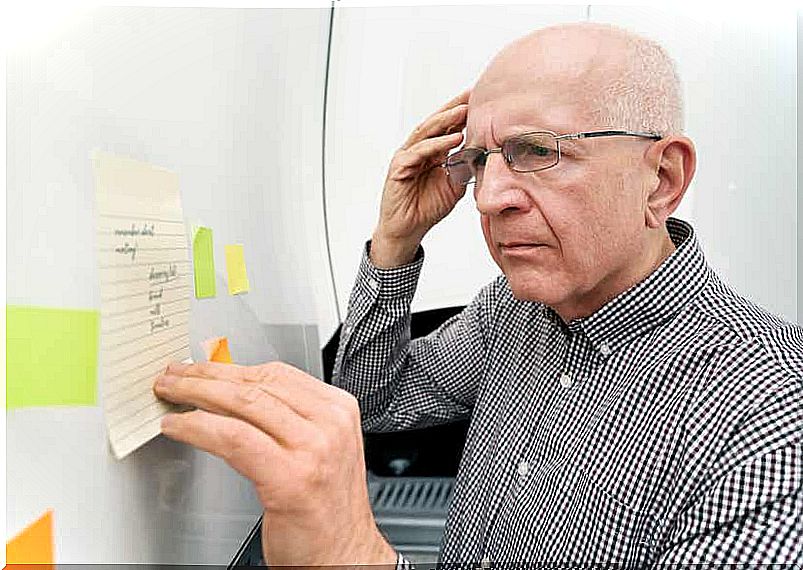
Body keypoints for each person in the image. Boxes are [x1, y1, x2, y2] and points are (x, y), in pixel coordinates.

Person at [153, 22, 802, 567]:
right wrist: (395, 239)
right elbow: (374, 403)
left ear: (660, 179)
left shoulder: (772, 418)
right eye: (480, 161)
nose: (487, 198)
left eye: (536, 150)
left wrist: (355, 554)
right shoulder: (512, 311)